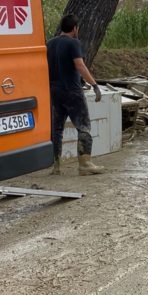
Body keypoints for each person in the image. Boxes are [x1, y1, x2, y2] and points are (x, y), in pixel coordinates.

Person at [47, 14, 104, 175]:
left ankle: (56, 165)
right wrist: (94, 84)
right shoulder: (73, 43)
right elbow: (79, 65)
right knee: (83, 126)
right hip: (72, 92)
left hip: (55, 91)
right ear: (75, 28)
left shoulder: (50, 44)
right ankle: (85, 164)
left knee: (57, 129)